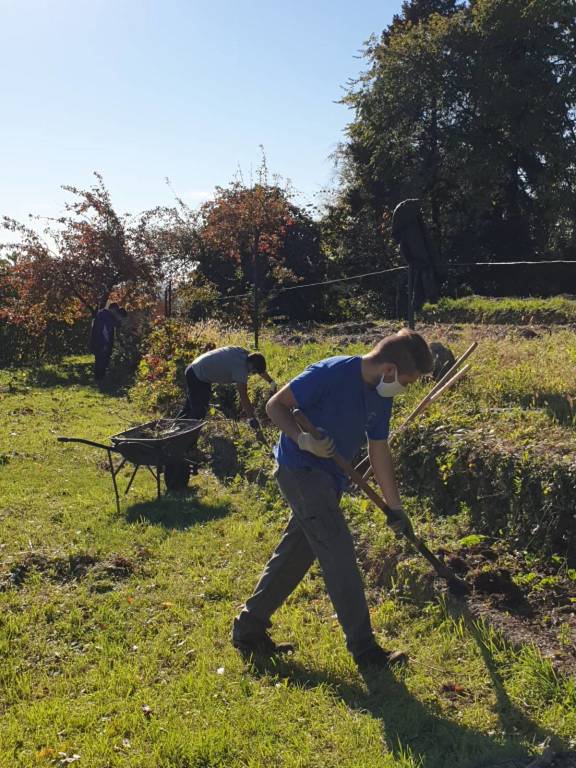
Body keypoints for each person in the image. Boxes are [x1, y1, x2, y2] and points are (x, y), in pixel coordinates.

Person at [232, 329, 434, 670]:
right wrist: (303, 439)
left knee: (297, 552)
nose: (406, 389)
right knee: (338, 551)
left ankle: (248, 630)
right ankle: (365, 650)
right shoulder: (331, 372)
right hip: (300, 471)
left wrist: (395, 506)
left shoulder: (381, 395)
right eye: (408, 382)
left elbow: (379, 448)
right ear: (389, 370)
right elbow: (275, 406)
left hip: (329, 480)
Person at [180, 346, 277, 429]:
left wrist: (271, 381)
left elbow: (259, 368)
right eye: (254, 372)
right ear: (252, 368)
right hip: (197, 375)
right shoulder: (241, 370)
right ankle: (189, 439)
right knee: (198, 412)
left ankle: (178, 426)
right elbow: (243, 396)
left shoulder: (244, 353)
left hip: (195, 369)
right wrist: (251, 418)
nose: (253, 374)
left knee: (190, 407)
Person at [89, 303, 127, 386]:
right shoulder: (105, 315)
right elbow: (105, 331)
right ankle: (99, 380)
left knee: (100, 361)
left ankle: (99, 380)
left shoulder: (104, 314)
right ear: (113, 310)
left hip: (99, 342)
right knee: (101, 362)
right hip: (101, 343)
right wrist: (105, 344)